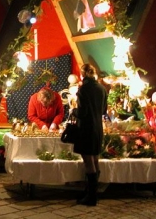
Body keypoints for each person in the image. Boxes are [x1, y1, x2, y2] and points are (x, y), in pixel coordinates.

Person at [71, 64, 107, 206]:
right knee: (95, 159)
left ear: (83, 74)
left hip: (86, 128)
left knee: (88, 161)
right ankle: (92, 193)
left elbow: (83, 112)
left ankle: (91, 197)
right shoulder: (102, 88)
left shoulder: (83, 89)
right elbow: (104, 110)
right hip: (98, 128)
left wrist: (74, 111)